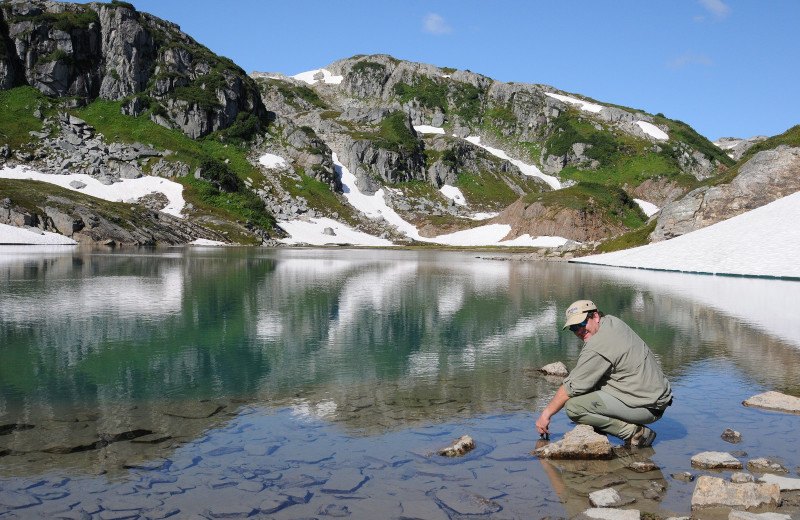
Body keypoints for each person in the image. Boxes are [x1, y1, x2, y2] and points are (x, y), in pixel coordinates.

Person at [535, 300, 672, 447]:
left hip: (647, 407)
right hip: (653, 398)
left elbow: (572, 387)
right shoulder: (611, 322)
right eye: (573, 328)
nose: (579, 331)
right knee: (588, 389)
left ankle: (635, 433)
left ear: (595, 316)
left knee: (573, 407)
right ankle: (602, 427)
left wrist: (546, 415)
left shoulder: (598, 345)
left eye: (581, 324)